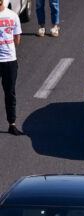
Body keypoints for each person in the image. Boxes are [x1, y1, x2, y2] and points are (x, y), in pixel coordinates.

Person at [0, 1, 23, 135]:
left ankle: (12, 124)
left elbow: (17, 38)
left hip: (9, 61)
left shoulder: (13, 15)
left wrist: (9, 51)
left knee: (10, 93)